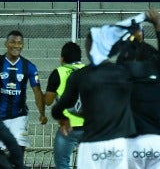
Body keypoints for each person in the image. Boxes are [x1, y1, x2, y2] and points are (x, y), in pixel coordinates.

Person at [51, 23, 138, 169]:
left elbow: (57, 109)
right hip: (117, 143)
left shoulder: (79, 75)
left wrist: (64, 118)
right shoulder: (123, 73)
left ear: (88, 49)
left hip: (92, 143)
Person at [0, 30, 47, 157]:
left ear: (23, 45)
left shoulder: (29, 66)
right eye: (13, 42)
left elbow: (37, 92)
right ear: (6, 44)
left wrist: (42, 113)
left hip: (19, 116)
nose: (16, 45)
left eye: (19, 43)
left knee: (18, 153)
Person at [120, 9, 160, 169]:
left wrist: (133, 40)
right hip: (159, 142)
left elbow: (121, 63)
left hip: (133, 142)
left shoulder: (128, 79)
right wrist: (159, 28)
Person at [43, 42, 85, 169]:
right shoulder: (90, 71)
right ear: (80, 59)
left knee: (62, 164)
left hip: (68, 127)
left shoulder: (58, 72)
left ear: (62, 59)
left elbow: (48, 101)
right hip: (90, 126)